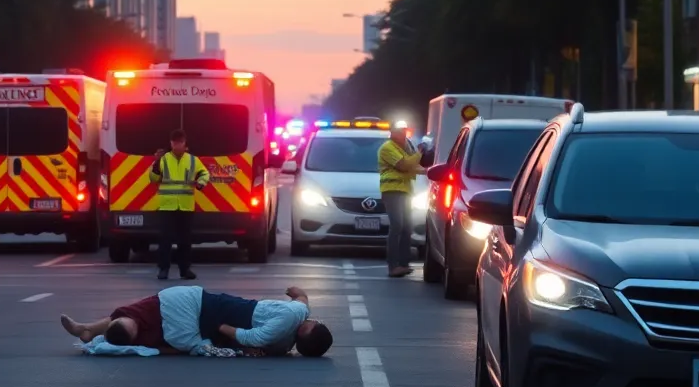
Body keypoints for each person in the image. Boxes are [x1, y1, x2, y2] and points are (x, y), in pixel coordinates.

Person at [59, 285, 334, 357]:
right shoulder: (285, 344)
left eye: (313, 323)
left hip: (206, 311)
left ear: (309, 329)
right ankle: (89, 330)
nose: (312, 319)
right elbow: (301, 300)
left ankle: (93, 331)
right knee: (147, 321)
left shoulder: (292, 318)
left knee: (140, 312)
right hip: (205, 322)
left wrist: (224, 327)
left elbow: (254, 338)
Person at [149, 129, 211, 281]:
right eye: (175, 143)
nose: (177, 145)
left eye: (180, 142)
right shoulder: (163, 159)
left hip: (185, 206)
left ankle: (185, 270)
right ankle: (163, 269)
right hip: (167, 206)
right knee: (165, 240)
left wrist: (200, 183)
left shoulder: (192, 160)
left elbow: (205, 173)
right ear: (171, 143)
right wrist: (156, 163)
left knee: (185, 240)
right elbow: (153, 178)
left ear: (185, 143)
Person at [379, 120, 425, 278]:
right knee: (397, 225)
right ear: (391, 132)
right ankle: (393, 266)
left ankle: (403, 264)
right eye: (399, 131)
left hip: (405, 191)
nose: (402, 134)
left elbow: (413, 167)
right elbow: (404, 165)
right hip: (392, 191)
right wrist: (419, 153)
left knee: (407, 227)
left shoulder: (405, 147)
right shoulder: (387, 148)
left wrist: (430, 172)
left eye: (404, 130)